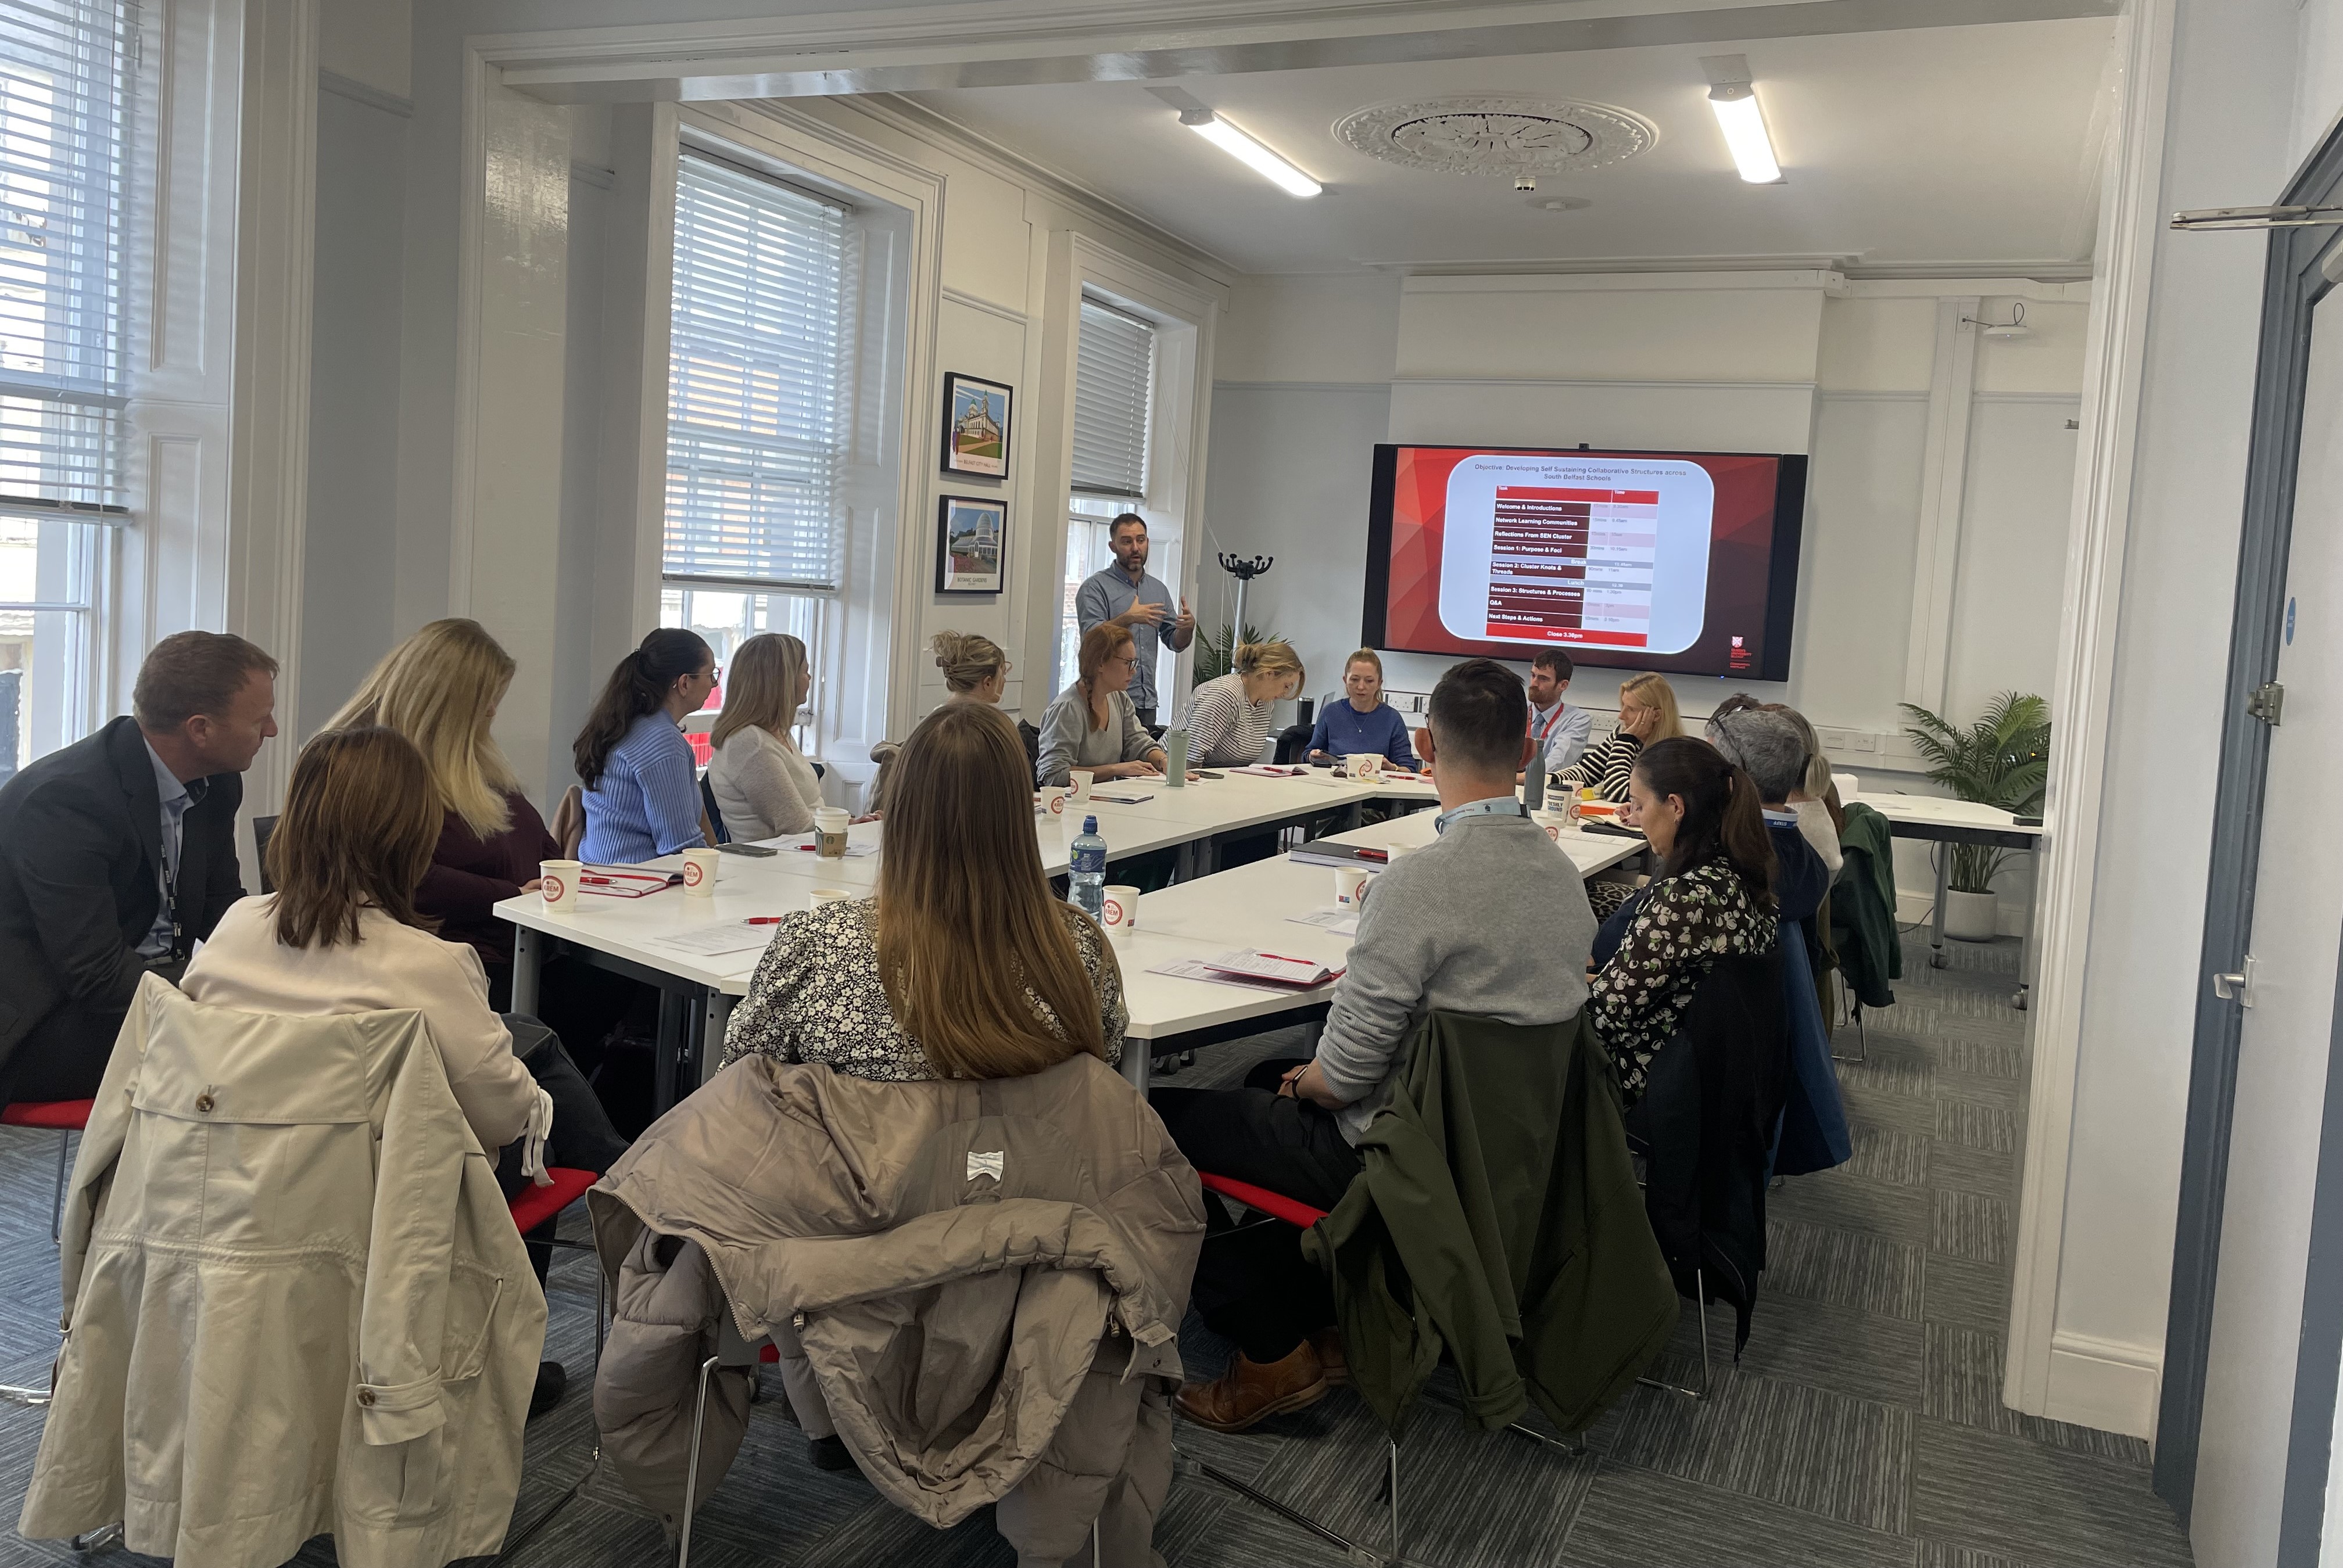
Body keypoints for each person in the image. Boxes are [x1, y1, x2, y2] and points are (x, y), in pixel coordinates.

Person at [1151, 658, 1596, 1431]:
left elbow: (1343, 1078)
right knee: (1262, 1074)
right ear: (1528, 754)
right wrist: (1297, 1079)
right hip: (1510, 1151)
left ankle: (1272, 1346)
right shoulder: (1565, 877)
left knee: (1148, 1121)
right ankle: (1336, 1305)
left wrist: (1304, 1084)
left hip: (1397, 1154)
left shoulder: (1419, 885)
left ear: (1424, 745)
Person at [180, 726, 628, 1418]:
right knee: (532, 1085)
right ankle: (544, 1315)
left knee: (527, 1042)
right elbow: (502, 1120)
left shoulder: (234, 931)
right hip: (389, 1205)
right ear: (412, 840)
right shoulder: (431, 965)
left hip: (235, 1180)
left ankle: (627, 1185)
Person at [721, 701, 1127, 1085]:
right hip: (1027, 1139)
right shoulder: (1078, 950)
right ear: (1019, 815)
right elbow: (1101, 1067)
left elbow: (741, 1075)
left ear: (899, 814)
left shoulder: (819, 946)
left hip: (861, 1139)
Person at [323, 618, 644, 1088]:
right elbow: (406, 877)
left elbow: (537, 841)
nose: (493, 710)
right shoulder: (384, 775)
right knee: (614, 989)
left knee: (629, 983)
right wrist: (510, 894)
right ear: (448, 701)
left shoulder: (475, 763)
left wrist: (558, 878)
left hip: (520, 947)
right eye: (486, 699)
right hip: (462, 962)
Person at [0, 631, 278, 1104]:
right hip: (42, 1021)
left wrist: (291, 968)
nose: (271, 730)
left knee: (283, 1027)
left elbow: (224, 912)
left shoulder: (217, 783)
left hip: (141, 993)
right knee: (247, 1049)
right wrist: (220, 999)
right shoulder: (66, 802)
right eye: (259, 719)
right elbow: (97, 974)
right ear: (200, 729)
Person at [1586, 737, 1779, 1107]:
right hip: (1709, 1073)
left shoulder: (1684, 899)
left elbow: (1604, 1016)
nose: (1636, 818)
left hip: (1646, 1075)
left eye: (1640, 805)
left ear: (1675, 807)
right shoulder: (1740, 875)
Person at [574, 628, 716, 864]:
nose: (714, 684)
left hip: (602, 872)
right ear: (684, 683)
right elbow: (681, 849)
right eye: (710, 675)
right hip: (637, 879)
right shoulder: (663, 741)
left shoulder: (625, 723)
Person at [1073, 513, 1194, 727]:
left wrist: (1187, 628)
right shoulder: (1094, 588)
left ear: (1147, 542)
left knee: (1144, 750)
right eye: (1127, 541)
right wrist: (1128, 618)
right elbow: (1091, 638)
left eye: (1141, 540)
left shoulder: (1158, 589)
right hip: (1106, 700)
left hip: (1146, 702)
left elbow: (1175, 642)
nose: (1136, 548)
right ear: (1113, 546)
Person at [706, 633, 821, 841]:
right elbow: (796, 826)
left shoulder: (775, 733)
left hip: (803, 852)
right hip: (779, 858)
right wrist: (847, 826)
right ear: (783, 681)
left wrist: (853, 823)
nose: (809, 678)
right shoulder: (750, 743)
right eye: (805, 671)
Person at [1036, 623, 1168, 787]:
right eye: (1127, 663)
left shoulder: (1120, 699)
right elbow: (1053, 775)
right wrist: (1115, 769)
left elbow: (1138, 742)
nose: (1133, 671)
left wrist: (1164, 761)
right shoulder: (1068, 708)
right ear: (1100, 664)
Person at [933, 629, 1042, 780]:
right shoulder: (995, 731)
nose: (1005, 680)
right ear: (988, 683)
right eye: (1003, 673)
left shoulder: (929, 726)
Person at [1559, 671, 1682, 803]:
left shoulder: (1674, 753)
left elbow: (1618, 794)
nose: (1621, 716)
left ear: (1656, 715)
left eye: (1631, 709)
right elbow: (1586, 772)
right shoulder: (1624, 735)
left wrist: (1626, 740)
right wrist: (1548, 780)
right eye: (1623, 706)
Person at [1187, 641, 1305, 767]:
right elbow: (1190, 759)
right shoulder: (1225, 694)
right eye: (1286, 686)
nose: (1285, 693)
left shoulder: (1266, 704)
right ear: (1269, 673)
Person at [1305, 648, 1418, 770]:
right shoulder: (1330, 713)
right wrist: (1312, 756)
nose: (1361, 687)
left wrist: (1393, 768)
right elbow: (1307, 755)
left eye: (1369, 681)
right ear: (1345, 680)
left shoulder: (1392, 719)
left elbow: (1409, 768)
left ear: (1379, 683)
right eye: (1354, 679)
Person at [1524, 648, 1594, 781]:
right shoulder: (1517, 709)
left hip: (1548, 789)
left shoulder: (1577, 719)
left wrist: (1516, 778)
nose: (1534, 684)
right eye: (1533, 675)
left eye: (1543, 679)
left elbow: (1559, 763)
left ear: (1563, 685)